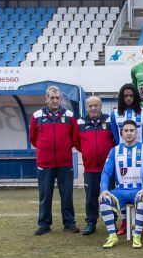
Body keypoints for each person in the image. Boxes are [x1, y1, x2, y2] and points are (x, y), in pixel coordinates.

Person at [30, 86, 80, 235]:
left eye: (57, 98)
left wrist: (63, 148)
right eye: (52, 98)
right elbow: (33, 138)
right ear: (46, 99)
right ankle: (44, 225)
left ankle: (69, 223)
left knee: (67, 194)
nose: (55, 101)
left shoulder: (70, 115)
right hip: (45, 163)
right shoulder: (37, 115)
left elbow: (74, 137)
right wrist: (44, 149)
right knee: (45, 195)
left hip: (64, 162)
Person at [98, 120, 143, 249]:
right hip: (120, 190)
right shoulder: (115, 151)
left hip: (138, 189)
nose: (129, 133)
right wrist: (104, 189)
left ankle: (137, 236)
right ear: (122, 133)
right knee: (104, 199)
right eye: (126, 130)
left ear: (136, 132)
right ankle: (112, 235)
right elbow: (106, 172)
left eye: (131, 130)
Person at [110, 83, 143, 235]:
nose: (128, 98)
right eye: (125, 96)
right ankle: (124, 222)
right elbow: (116, 136)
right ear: (122, 97)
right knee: (122, 187)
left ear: (135, 96)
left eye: (131, 95)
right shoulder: (115, 114)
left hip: (141, 156)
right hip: (121, 157)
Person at [74, 96, 116, 235]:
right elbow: (77, 142)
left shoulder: (110, 120)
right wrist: (88, 152)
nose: (93, 108)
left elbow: (115, 140)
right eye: (90, 106)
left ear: (100, 106)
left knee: (109, 196)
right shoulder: (80, 123)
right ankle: (91, 222)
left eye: (96, 105)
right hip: (90, 168)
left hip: (108, 169)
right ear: (86, 107)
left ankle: (112, 221)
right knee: (91, 197)